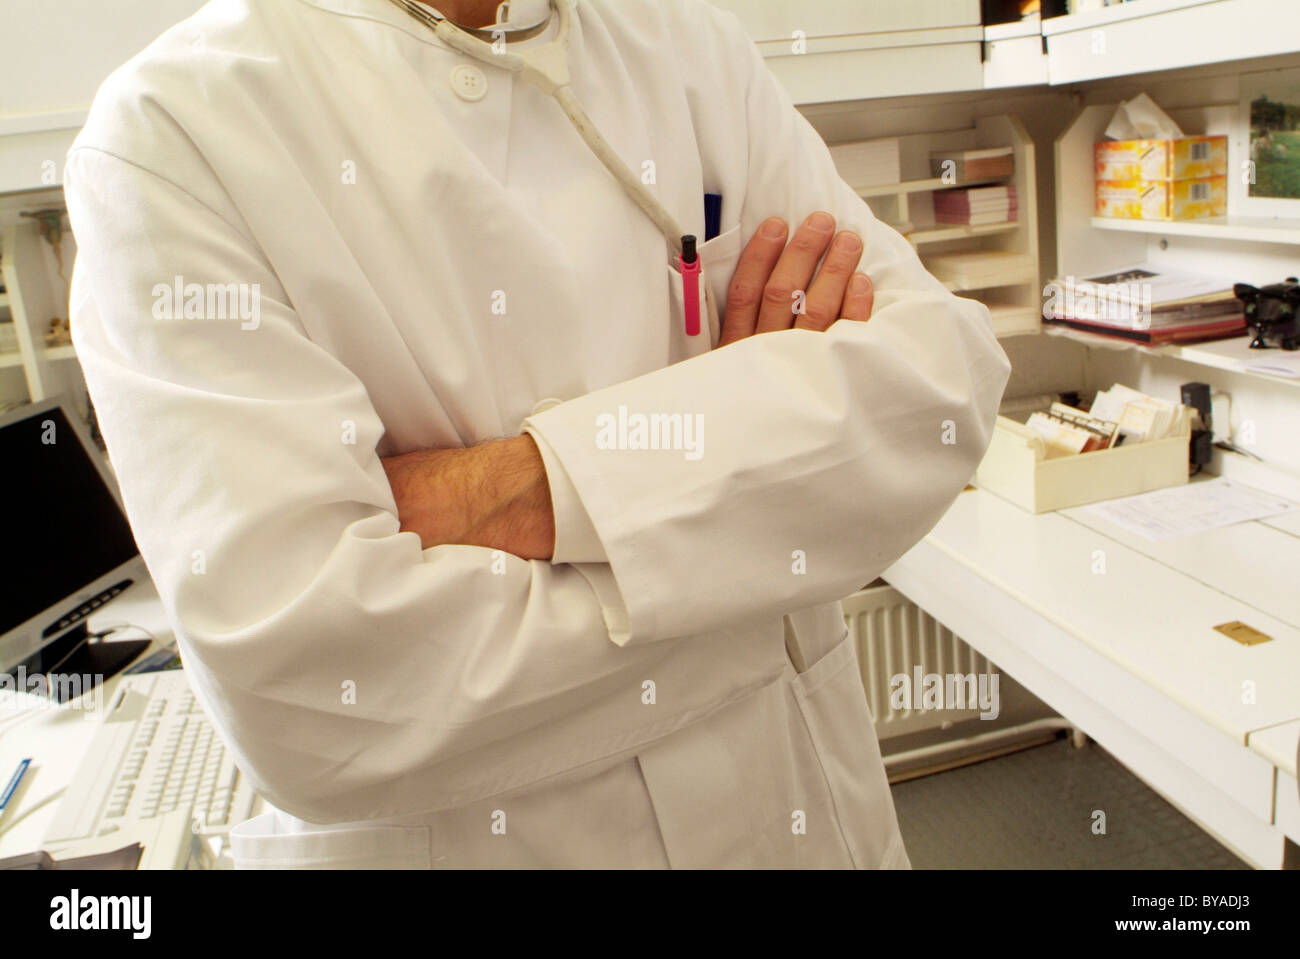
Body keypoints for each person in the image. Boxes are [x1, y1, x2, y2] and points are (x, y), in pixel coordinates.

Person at [63, 0, 1011, 868]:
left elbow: (944, 383)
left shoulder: (689, 48)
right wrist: (757, 517)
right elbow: (310, 691)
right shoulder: (172, 133)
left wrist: (518, 488)